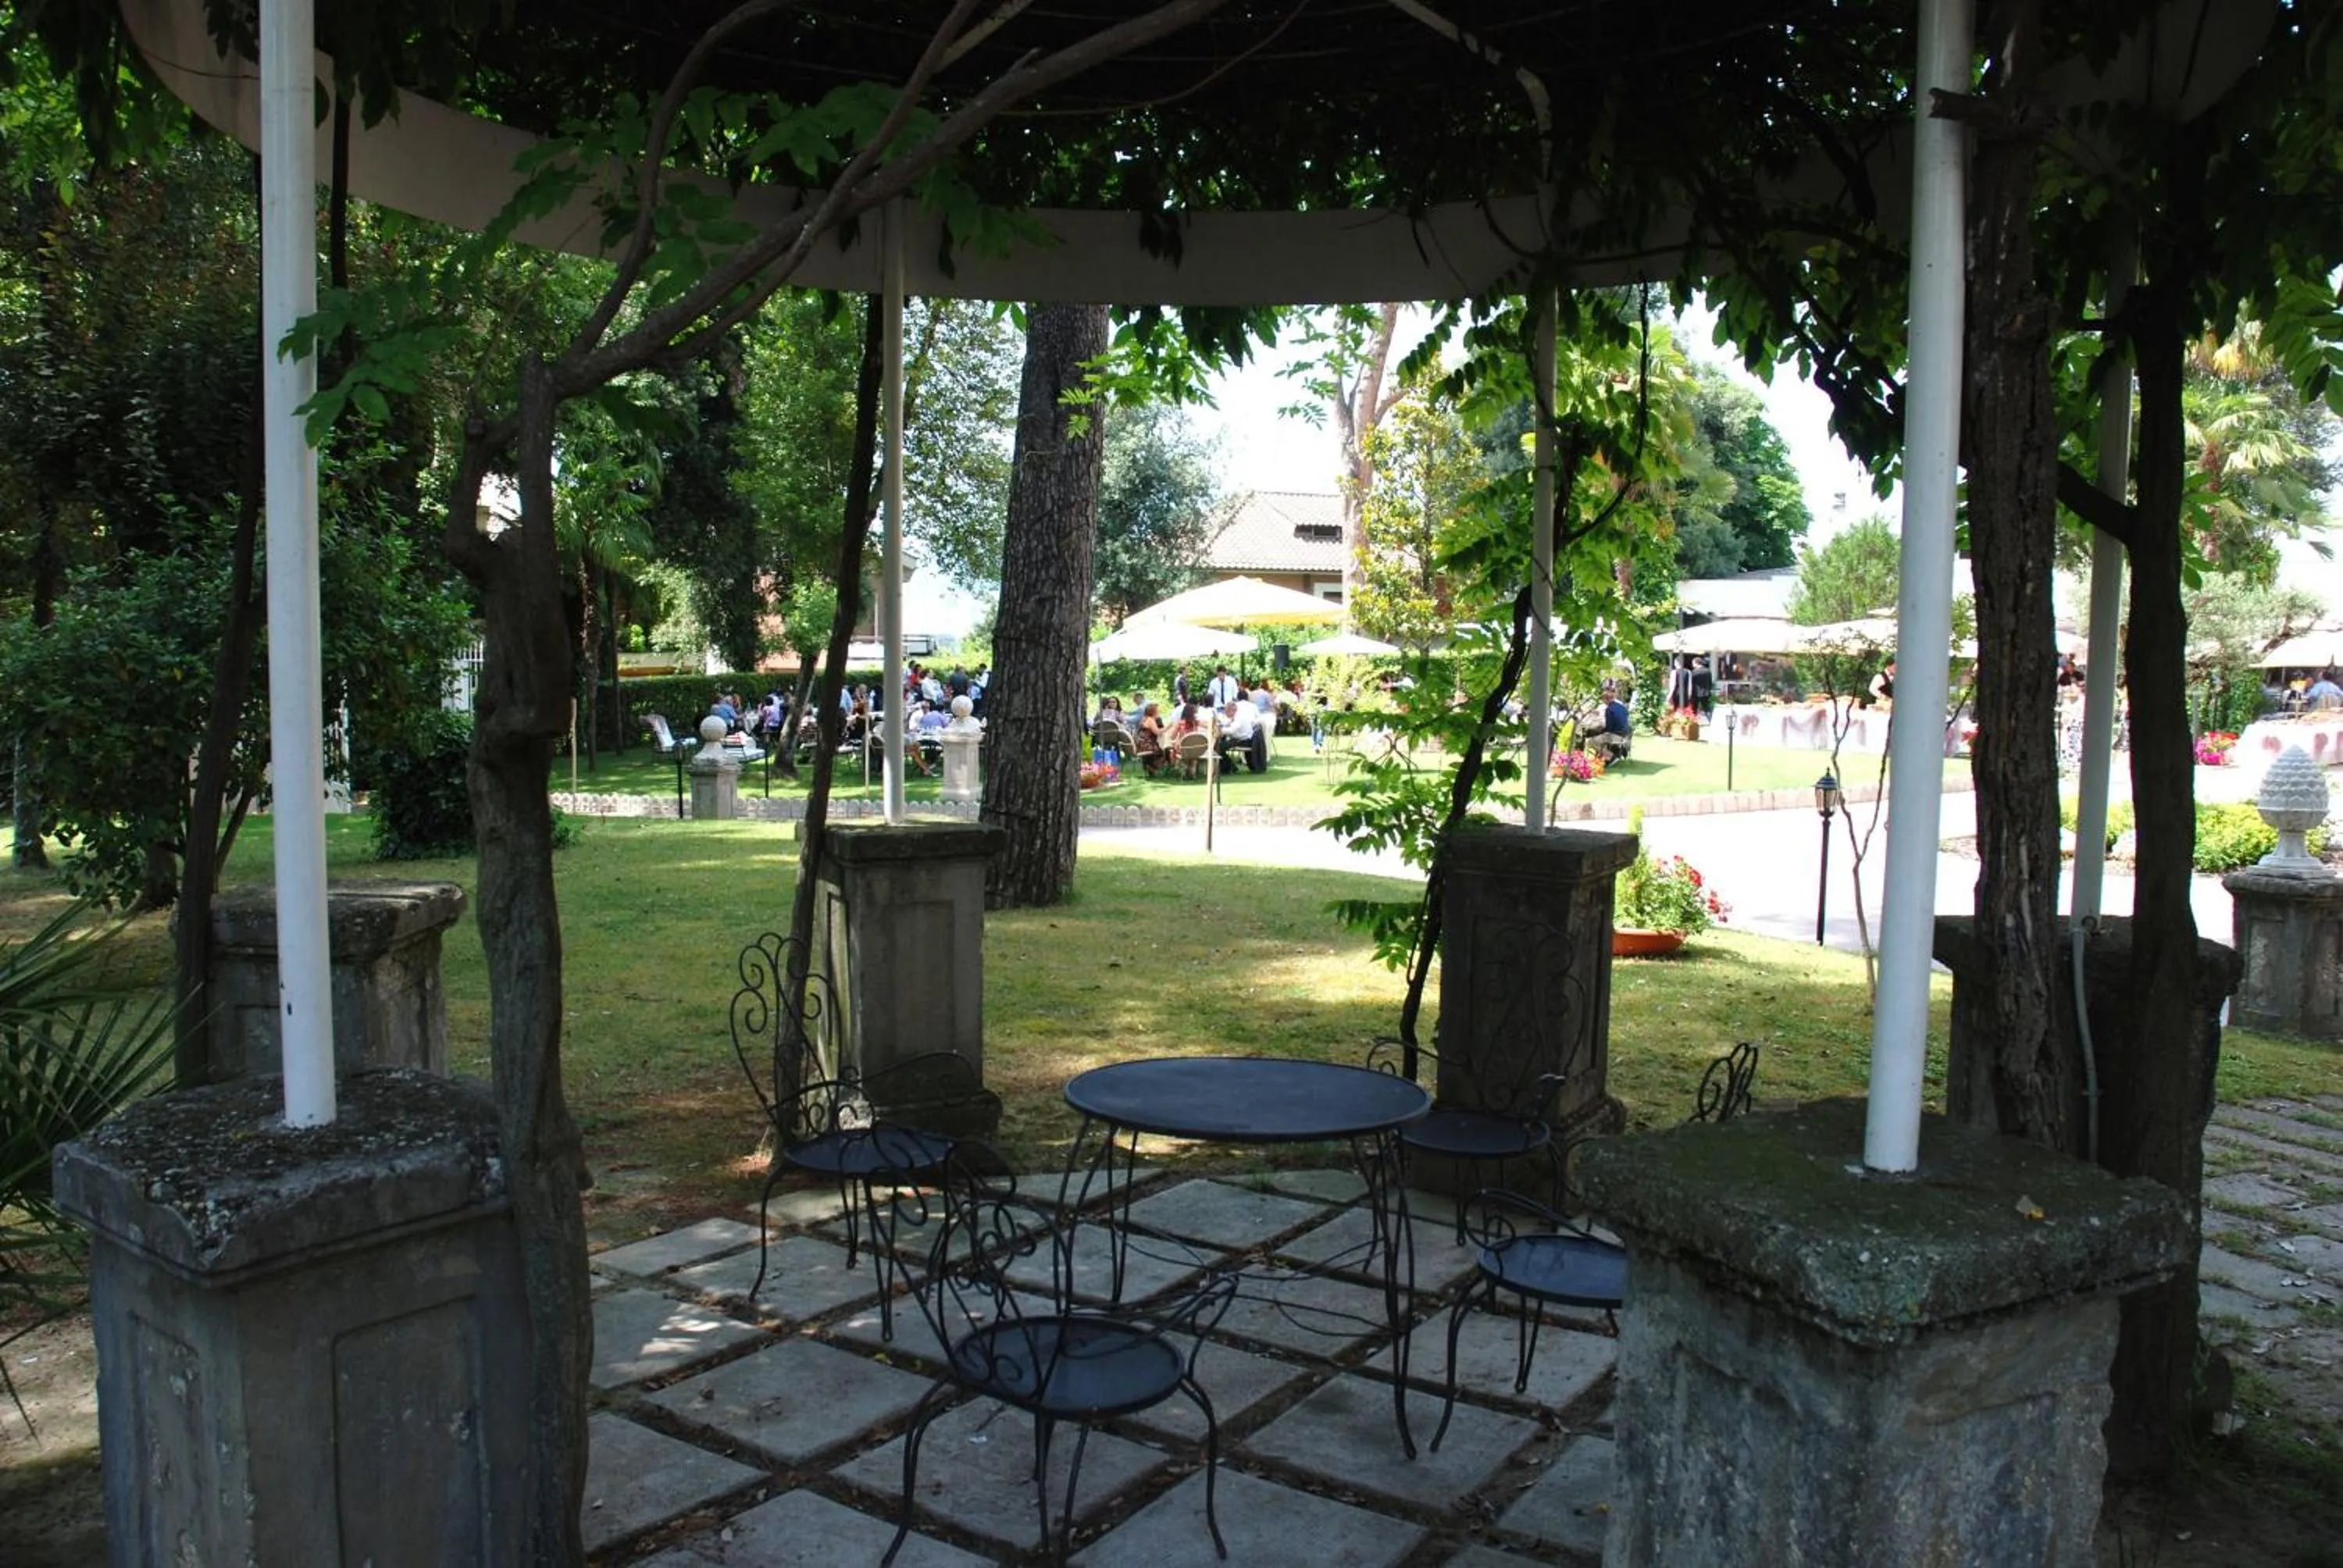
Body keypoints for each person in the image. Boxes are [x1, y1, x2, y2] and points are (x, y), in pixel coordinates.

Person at [1589, 684, 1632, 761]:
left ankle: (1612, 757)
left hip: (1616, 735)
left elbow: (1609, 728)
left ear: (1606, 700)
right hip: (1625, 735)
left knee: (1591, 742)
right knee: (1601, 737)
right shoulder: (1622, 707)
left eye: (1603, 700)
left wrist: (1600, 730)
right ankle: (1604, 758)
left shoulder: (1609, 709)